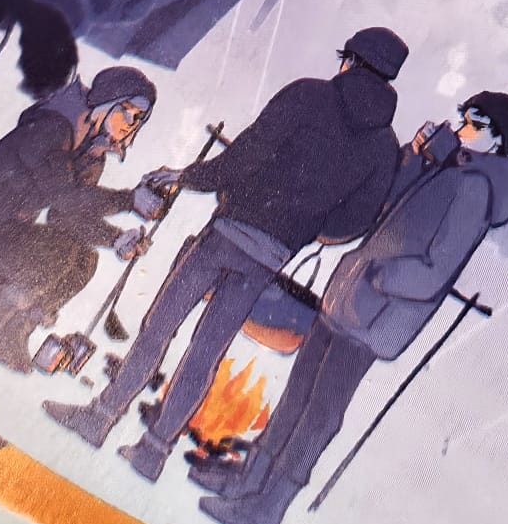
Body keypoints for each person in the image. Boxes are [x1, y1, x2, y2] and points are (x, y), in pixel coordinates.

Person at [43, 25, 408, 481]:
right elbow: (356, 221)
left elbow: (246, 156)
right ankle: (153, 453)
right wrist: (308, 227)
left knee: (160, 326)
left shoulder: (308, 95)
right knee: (206, 353)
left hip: (229, 231)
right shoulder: (385, 147)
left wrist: (189, 176)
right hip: (271, 255)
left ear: (349, 60)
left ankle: (99, 419)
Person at [196, 89, 508, 524]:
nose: (461, 128)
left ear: (498, 140)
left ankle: (267, 508)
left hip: (376, 317)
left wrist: (378, 277)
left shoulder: (474, 188)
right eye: (464, 118)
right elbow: (385, 205)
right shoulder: (448, 170)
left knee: (319, 412)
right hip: (349, 301)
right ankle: (248, 481)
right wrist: (415, 157)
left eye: (474, 123)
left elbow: (436, 269)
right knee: (297, 396)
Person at [0, 65, 157, 371]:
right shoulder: (53, 127)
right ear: (106, 102)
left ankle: (15, 329)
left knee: (85, 260)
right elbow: (65, 198)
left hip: (8, 229)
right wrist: (128, 200)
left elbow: (65, 219)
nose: (130, 124)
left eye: (138, 118)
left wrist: (115, 238)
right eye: (126, 111)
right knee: (60, 252)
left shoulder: (91, 152)